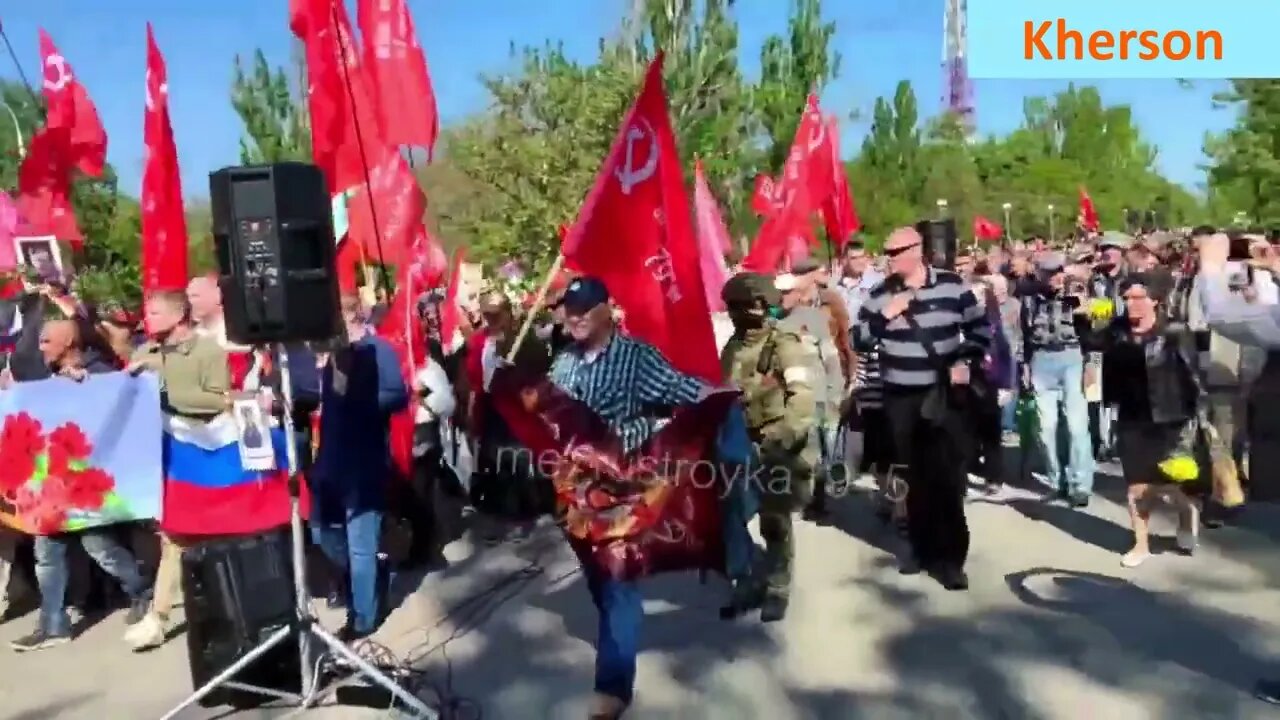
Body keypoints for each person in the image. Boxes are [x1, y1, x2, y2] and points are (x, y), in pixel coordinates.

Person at [547, 276, 714, 720]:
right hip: (575, 498)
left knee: (620, 584)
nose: (576, 315)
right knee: (602, 584)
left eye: (585, 307)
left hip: (623, 494)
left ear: (607, 309)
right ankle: (615, 637)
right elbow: (545, 416)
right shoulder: (562, 364)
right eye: (570, 307)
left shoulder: (638, 357)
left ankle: (613, 688)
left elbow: (686, 391)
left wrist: (719, 399)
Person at [856, 227, 990, 591]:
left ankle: (950, 560)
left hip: (942, 394)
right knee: (912, 478)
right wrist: (885, 316)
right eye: (887, 252)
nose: (890, 258)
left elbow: (981, 329)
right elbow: (859, 339)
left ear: (917, 250)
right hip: (899, 396)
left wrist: (965, 359)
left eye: (897, 251)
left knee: (946, 478)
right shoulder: (880, 293)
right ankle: (920, 548)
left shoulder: (951, 286)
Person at [9, 319, 153, 652]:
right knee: (46, 553)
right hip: (51, 485)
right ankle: (53, 624)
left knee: (99, 548)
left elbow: (116, 408)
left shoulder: (98, 372)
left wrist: (84, 388)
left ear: (69, 342)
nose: (40, 347)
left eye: (47, 341)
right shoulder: (45, 376)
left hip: (85, 485)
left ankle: (142, 592)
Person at [124, 291, 231, 651]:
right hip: (167, 459)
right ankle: (159, 616)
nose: (147, 318)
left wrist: (164, 390)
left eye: (154, 311)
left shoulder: (207, 351)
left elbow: (220, 399)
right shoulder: (145, 355)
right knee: (174, 538)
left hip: (206, 455)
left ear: (179, 314)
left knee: (212, 536)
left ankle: (224, 606)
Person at [1084, 271, 1203, 567]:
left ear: (1156, 300)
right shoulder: (1115, 330)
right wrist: (1093, 322)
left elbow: (1194, 375)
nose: (1132, 304)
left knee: (1170, 485)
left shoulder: (1174, 330)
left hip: (1170, 415)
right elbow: (1092, 349)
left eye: (1139, 298)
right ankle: (1141, 544)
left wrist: (1201, 414)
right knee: (1136, 486)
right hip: (1131, 415)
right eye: (1127, 299)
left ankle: (1187, 515)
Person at [311, 295, 409, 641]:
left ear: (350, 317)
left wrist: (363, 400)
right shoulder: (329, 357)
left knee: (360, 544)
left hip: (364, 462)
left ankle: (363, 618)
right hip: (330, 462)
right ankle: (373, 573)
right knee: (322, 534)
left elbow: (399, 395)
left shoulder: (376, 350)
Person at [719, 272, 816, 621]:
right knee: (732, 520)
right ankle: (746, 581)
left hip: (773, 443)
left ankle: (777, 585)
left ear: (761, 306)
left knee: (774, 521)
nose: (737, 314)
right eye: (732, 308)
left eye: (743, 307)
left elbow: (802, 399)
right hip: (738, 444)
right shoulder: (733, 346)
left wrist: (782, 439)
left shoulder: (784, 343)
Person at [1021, 252, 1095, 506]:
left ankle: (1080, 484)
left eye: (1057, 272)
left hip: (1072, 356)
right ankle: (1055, 480)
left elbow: (1092, 332)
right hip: (1041, 359)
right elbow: (1024, 333)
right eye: (1048, 273)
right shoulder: (1030, 299)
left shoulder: (1077, 294)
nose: (1054, 278)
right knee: (1046, 426)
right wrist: (1025, 365)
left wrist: (1091, 365)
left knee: (1076, 425)